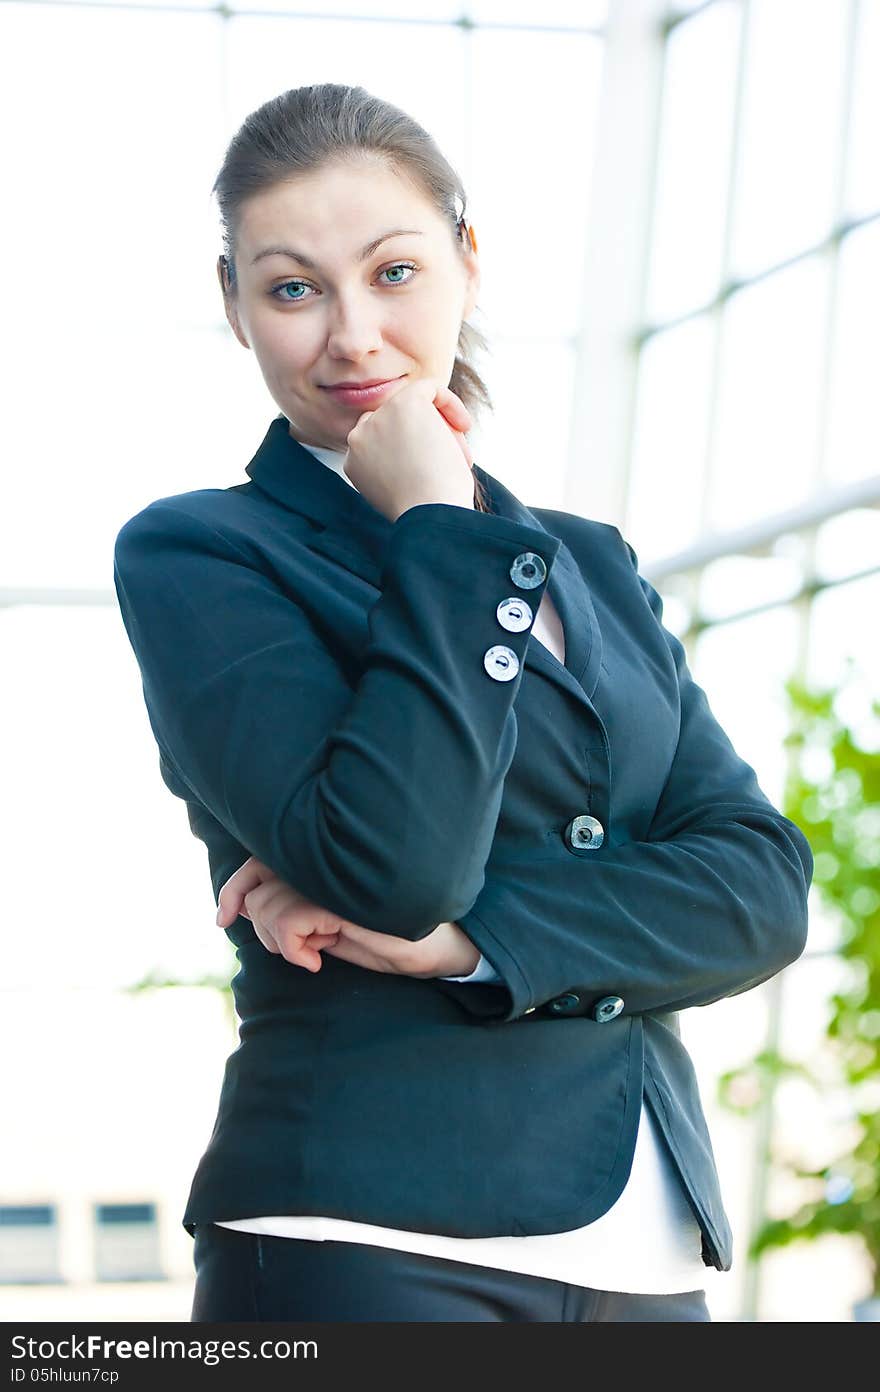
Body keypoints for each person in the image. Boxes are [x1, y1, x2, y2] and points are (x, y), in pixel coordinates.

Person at [112, 83, 813, 1323]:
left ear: (466, 264)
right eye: (291, 289)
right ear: (235, 306)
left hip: (645, 1246)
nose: (351, 337)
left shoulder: (588, 561)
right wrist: (436, 522)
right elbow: (390, 866)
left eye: (393, 272)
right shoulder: (203, 554)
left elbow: (757, 892)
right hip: (364, 1235)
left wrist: (469, 945)